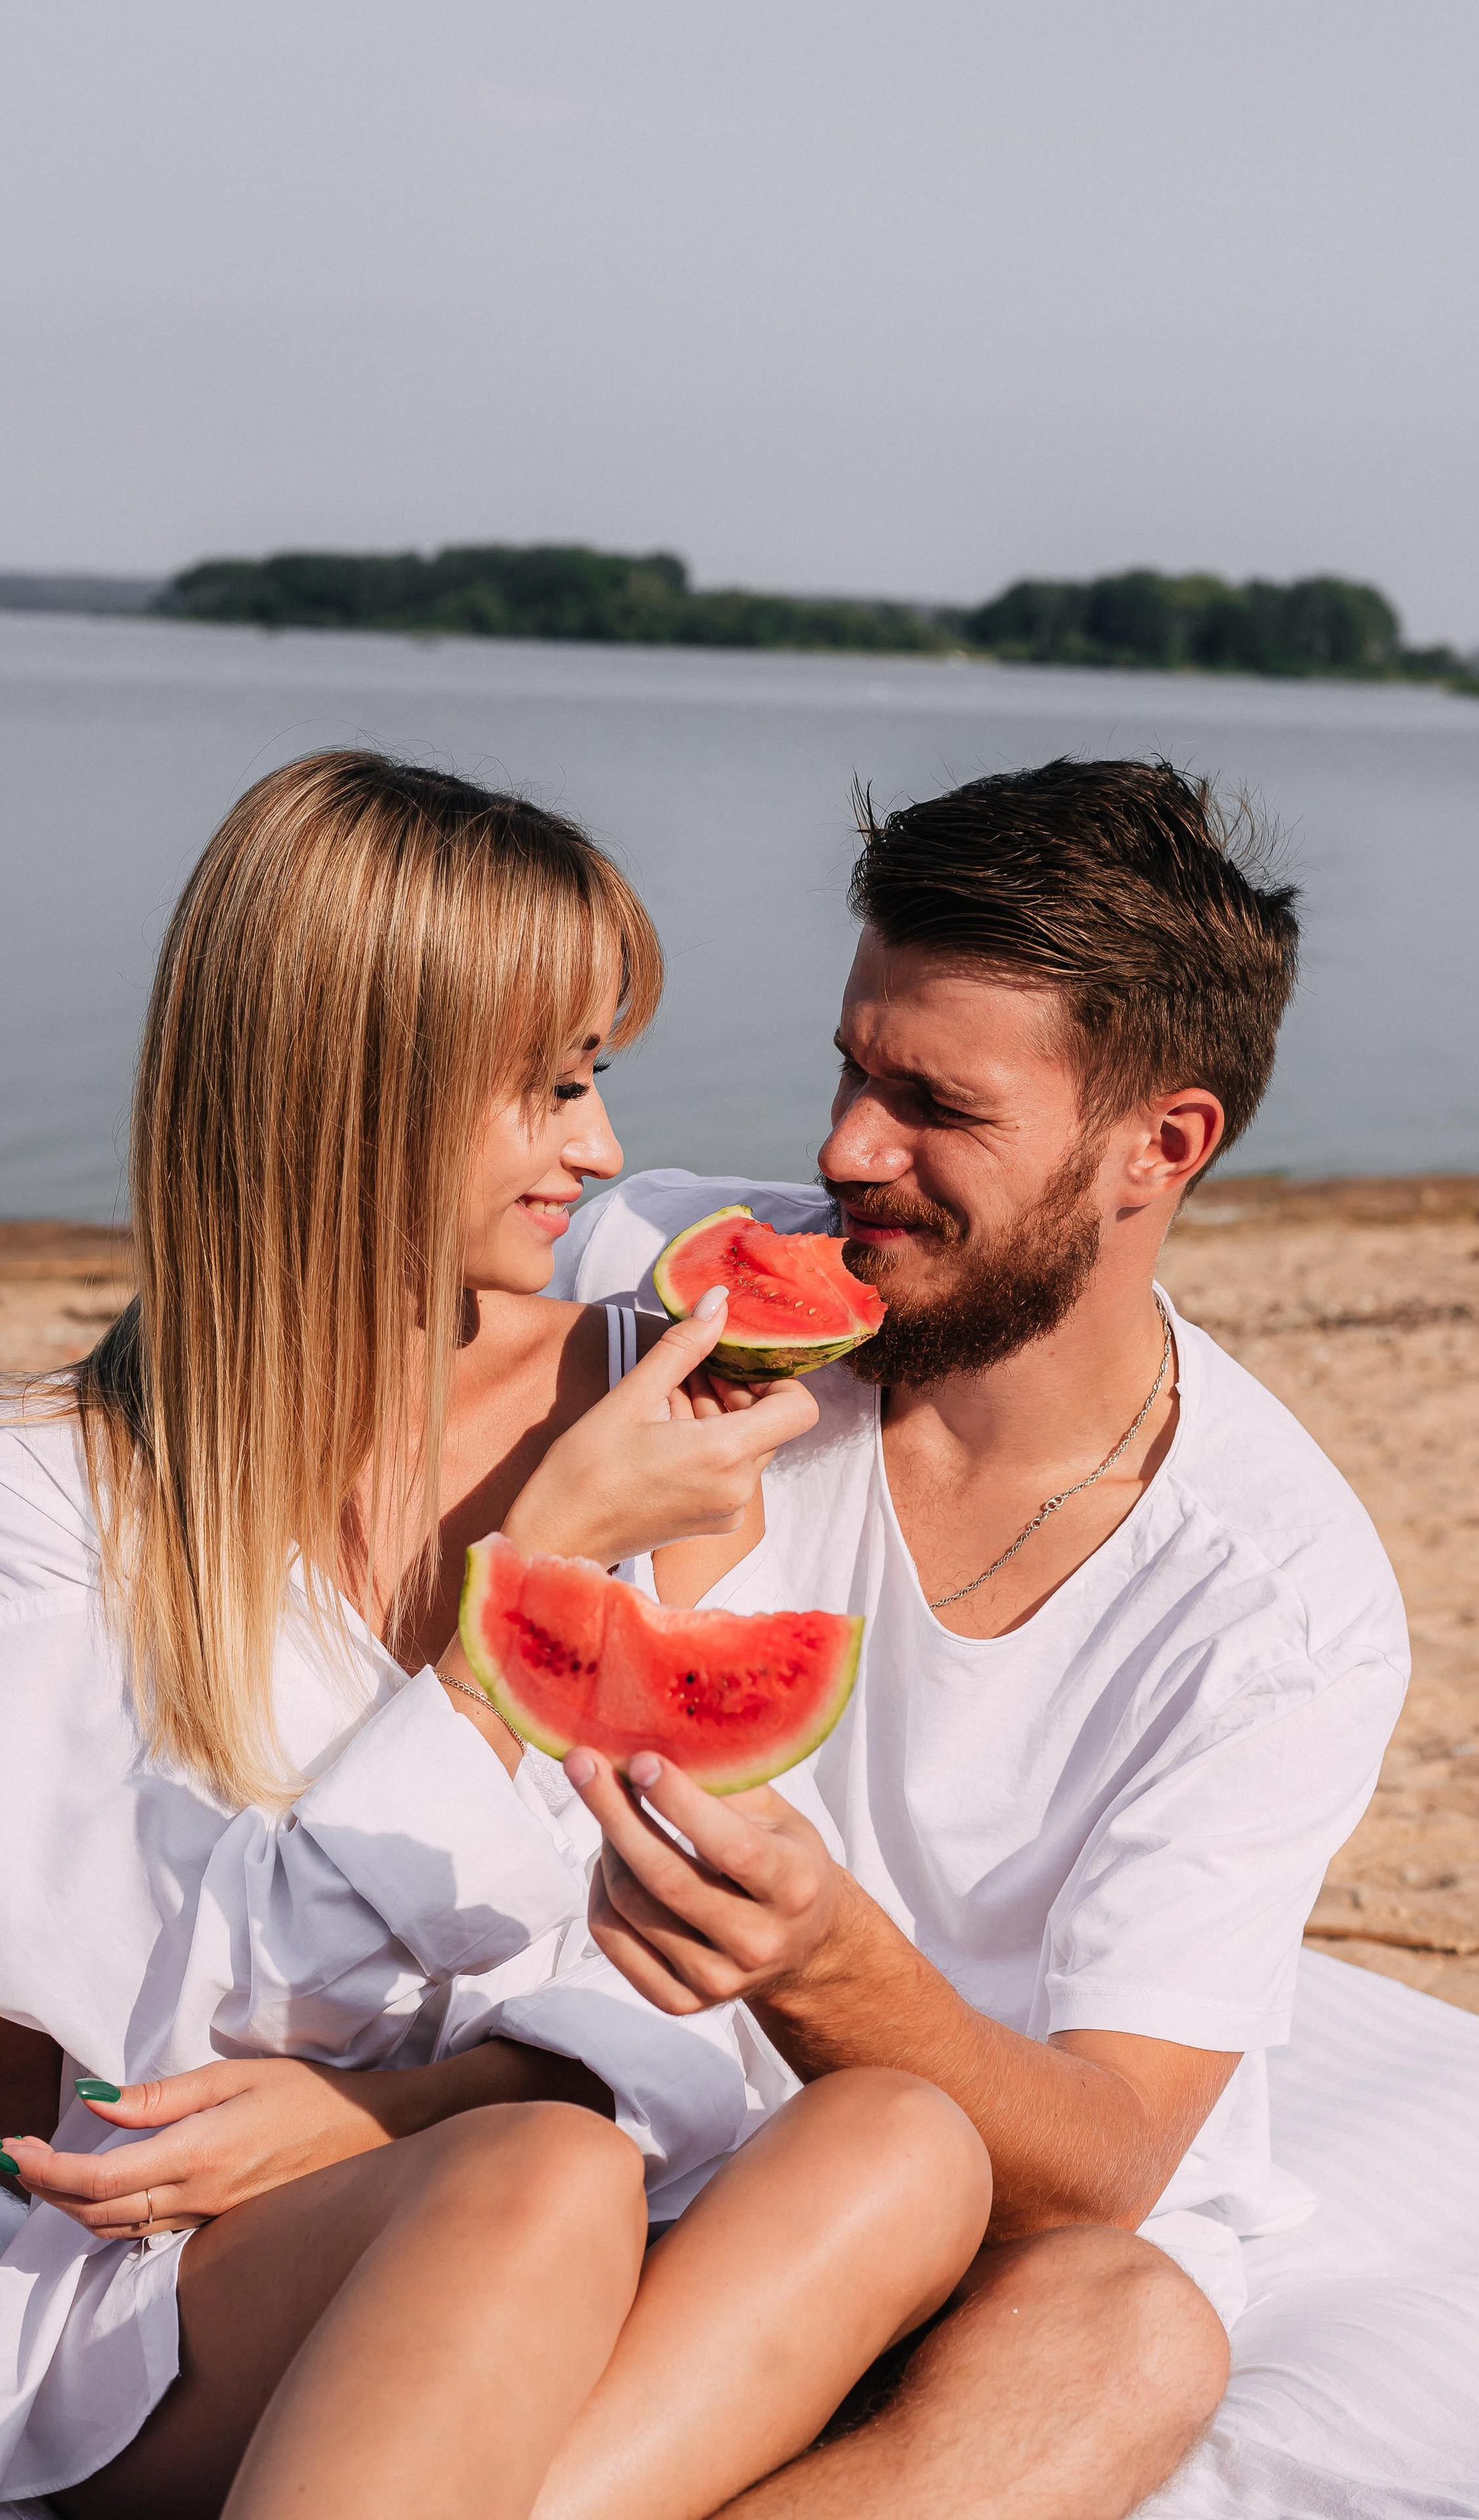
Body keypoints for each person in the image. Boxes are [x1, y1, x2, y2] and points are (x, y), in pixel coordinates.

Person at [0, 753, 991, 2520]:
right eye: (546, 1090)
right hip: (146, 2291)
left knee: (903, 2142)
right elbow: (161, 2046)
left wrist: (405, 2108)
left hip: (512, 2182)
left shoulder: (628, 1404)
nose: (603, 1155)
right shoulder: (52, 1506)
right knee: (534, 2176)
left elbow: (689, 1988)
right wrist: (521, 1603)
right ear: (351, 1095)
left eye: (597, 1077)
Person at [556, 757, 1411, 2519]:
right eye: (854, 1071)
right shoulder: (653, 1287)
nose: (846, 1152)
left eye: (935, 1105)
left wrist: (817, 1957)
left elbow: (1103, 2160)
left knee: (1136, 2337)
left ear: (1160, 1148)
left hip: (994, 2230)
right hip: (585, 2142)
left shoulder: (1275, 1606)